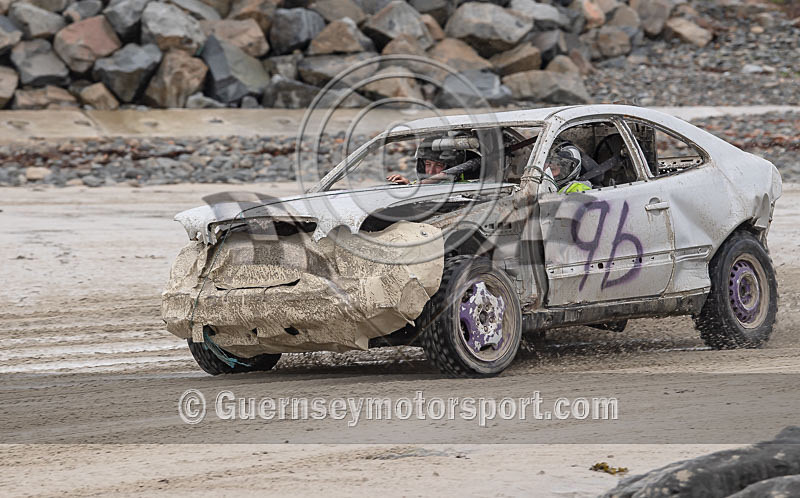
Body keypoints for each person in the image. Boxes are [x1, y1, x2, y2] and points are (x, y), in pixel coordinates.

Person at [386, 137, 481, 185]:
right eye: (428, 164)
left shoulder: (464, 188)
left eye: (439, 165)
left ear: (451, 167)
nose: (431, 171)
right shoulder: (419, 185)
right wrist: (407, 186)